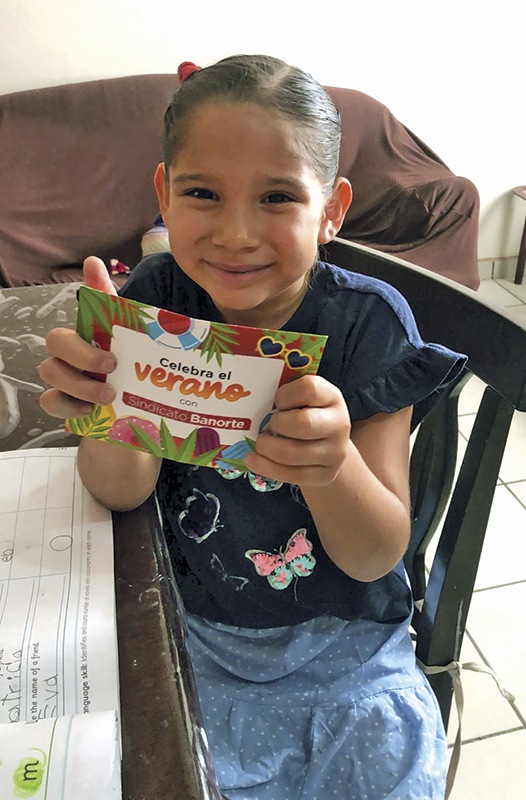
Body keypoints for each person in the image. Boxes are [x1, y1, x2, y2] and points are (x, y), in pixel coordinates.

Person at [39, 55, 466, 799]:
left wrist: (334, 466)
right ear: (164, 193)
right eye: (202, 193)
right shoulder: (156, 300)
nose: (236, 234)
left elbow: (375, 555)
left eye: (277, 197)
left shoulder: (366, 324)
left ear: (330, 210)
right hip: (196, 633)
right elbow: (119, 493)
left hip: (344, 652)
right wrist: (111, 404)